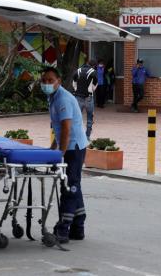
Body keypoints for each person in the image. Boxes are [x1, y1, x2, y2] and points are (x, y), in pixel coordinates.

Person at [41, 67, 89, 244]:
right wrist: (53, 148)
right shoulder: (52, 97)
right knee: (73, 184)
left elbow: (67, 128)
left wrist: (59, 153)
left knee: (69, 186)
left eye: (50, 80)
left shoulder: (63, 99)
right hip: (68, 146)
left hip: (74, 147)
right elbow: (57, 127)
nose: (47, 83)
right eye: (44, 80)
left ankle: (63, 228)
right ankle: (78, 227)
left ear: (58, 81)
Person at [73, 60, 97, 141]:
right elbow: (95, 85)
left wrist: (77, 90)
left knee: (77, 118)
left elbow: (74, 83)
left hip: (78, 97)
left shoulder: (78, 70)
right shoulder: (93, 72)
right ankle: (87, 136)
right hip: (88, 97)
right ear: (93, 66)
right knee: (90, 118)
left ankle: (77, 136)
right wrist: (91, 90)